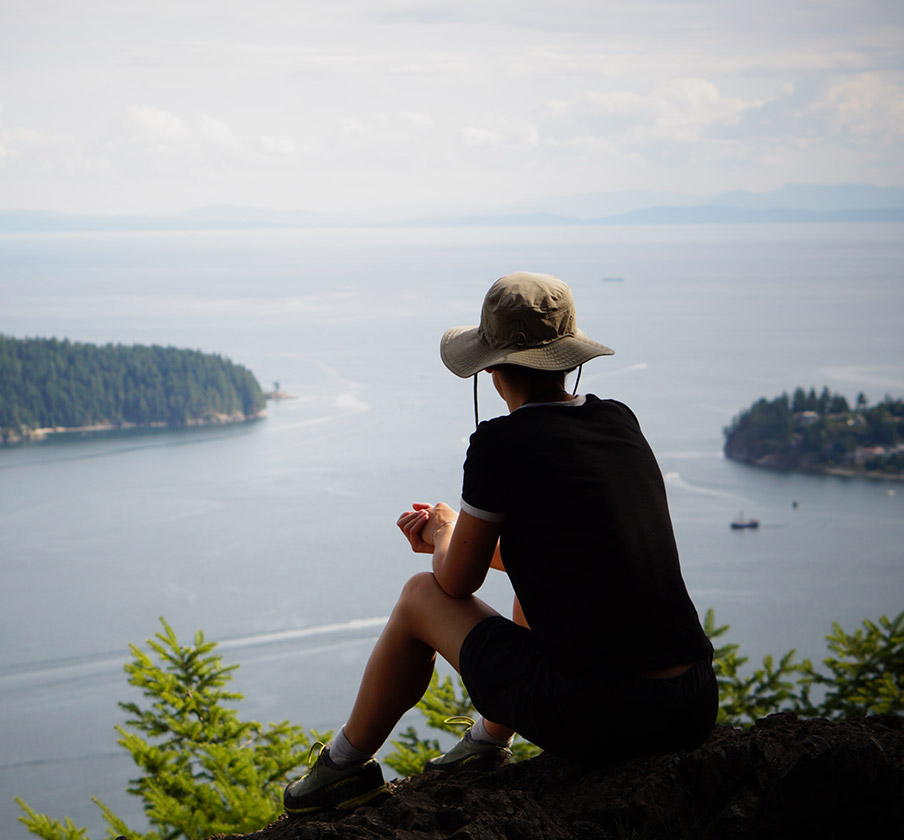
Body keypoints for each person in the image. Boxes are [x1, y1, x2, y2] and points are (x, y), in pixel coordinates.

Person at [283, 271, 716, 815]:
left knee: (419, 594)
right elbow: (567, 557)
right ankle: (486, 744)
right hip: (692, 702)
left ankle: (341, 770)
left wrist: (444, 533)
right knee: (527, 574)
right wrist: (466, 540)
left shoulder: (500, 443)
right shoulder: (619, 421)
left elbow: (453, 582)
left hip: (602, 717)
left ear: (488, 369)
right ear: (569, 358)